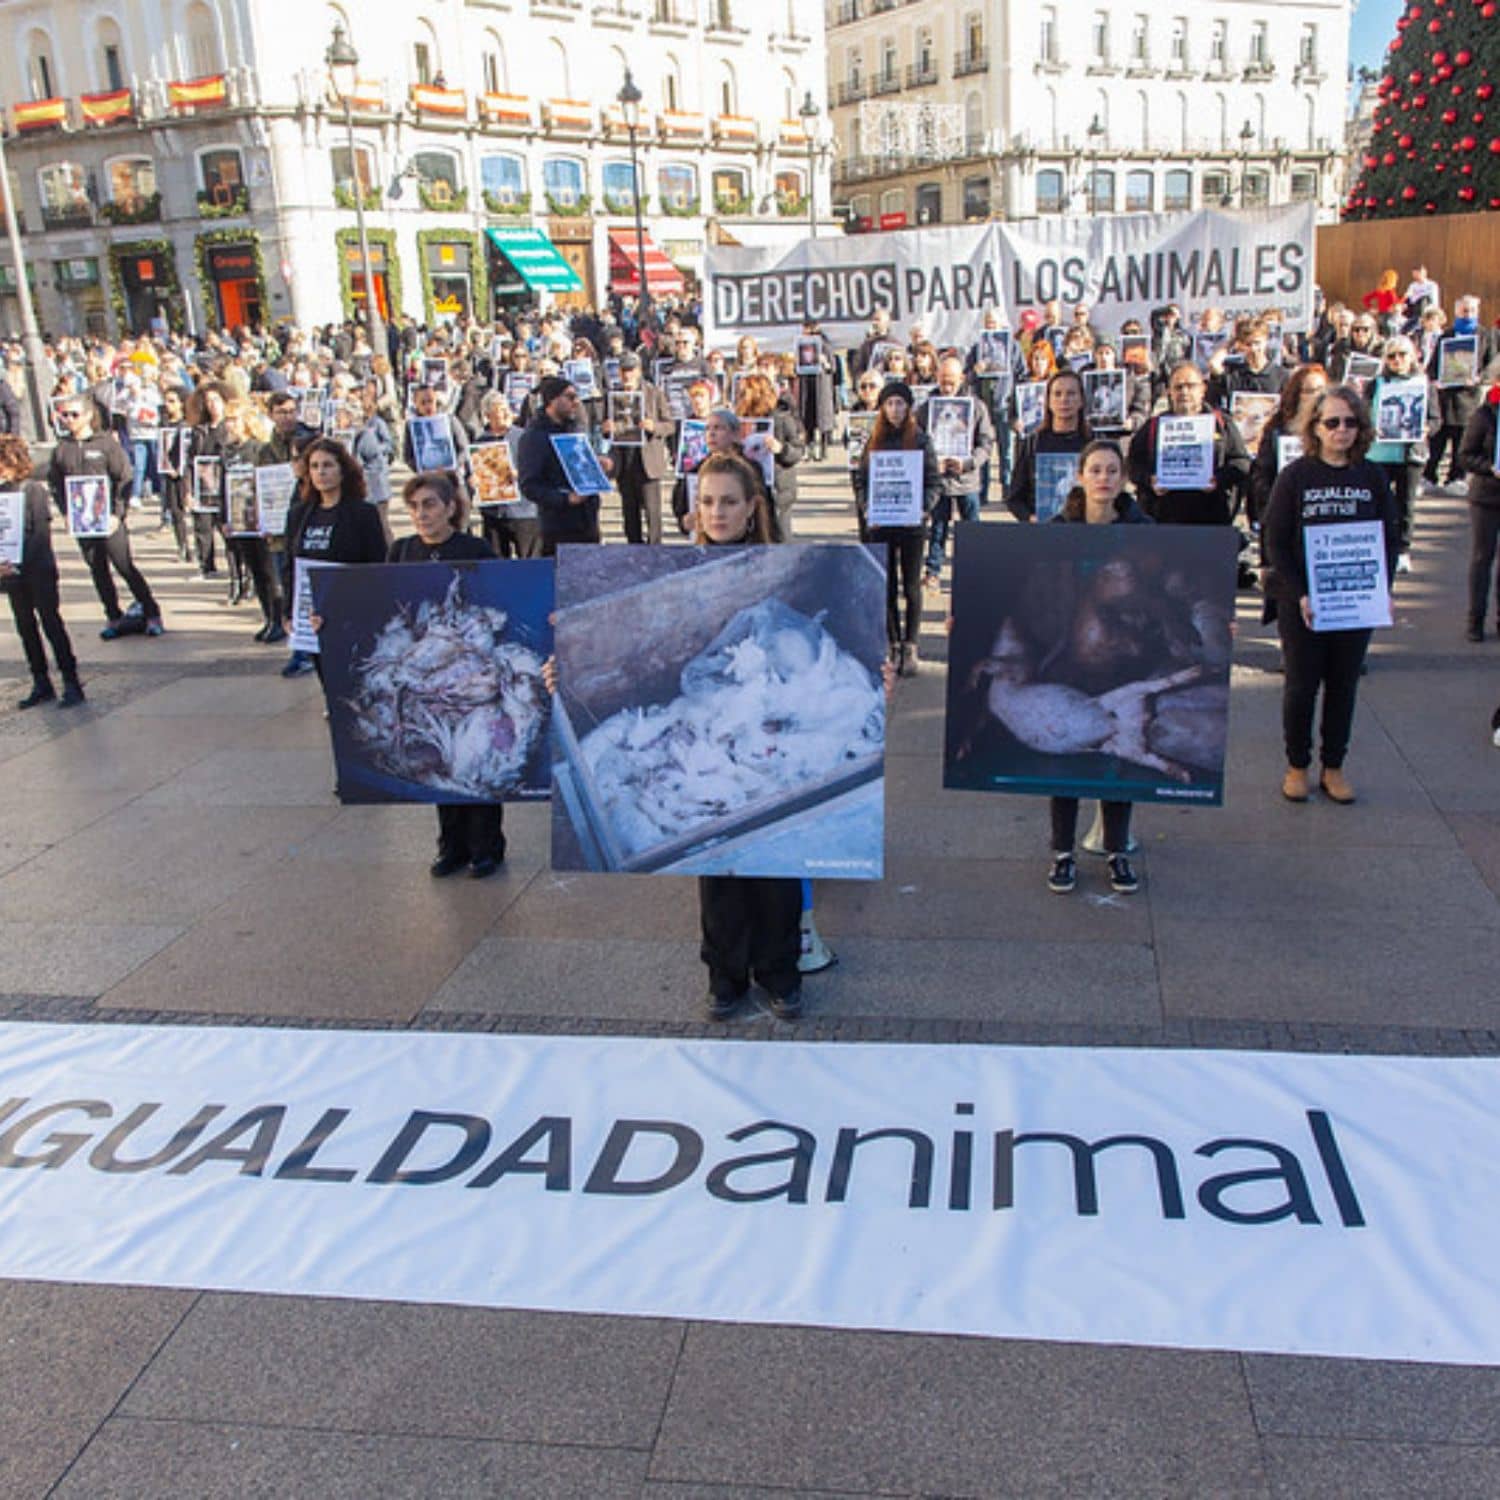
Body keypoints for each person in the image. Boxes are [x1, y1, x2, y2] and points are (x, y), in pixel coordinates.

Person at [690, 450, 804, 1021]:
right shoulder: (675, 568)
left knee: (775, 860)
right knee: (719, 865)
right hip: (707, 731)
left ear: (751, 506)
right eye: (708, 501)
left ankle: (781, 972)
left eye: (729, 501)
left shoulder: (780, 566)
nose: (717, 512)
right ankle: (725, 975)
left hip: (770, 724)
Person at [1263, 386, 1399, 805]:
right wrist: (1299, 593)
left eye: (1350, 422)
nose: (1342, 430)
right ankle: (1297, 765)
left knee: (1343, 687)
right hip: (1304, 603)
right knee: (1302, 686)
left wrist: (1383, 588)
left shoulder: (1373, 476)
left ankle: (1334, 766)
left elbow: (1389, 537)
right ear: (1315, 428)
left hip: (1354, 600)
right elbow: (1276, 540)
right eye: (1332, 422)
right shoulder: (1297, 476)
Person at [1044, 441, 1152, 897]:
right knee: (1067, 751)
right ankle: (1062, 852)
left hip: (1124, 655)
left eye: (1112, 470)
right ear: (1081, 477)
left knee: (1118, 750)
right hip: (1068, 654)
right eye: (1095, 470)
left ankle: (1116, 849)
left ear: (1123, 477)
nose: (1104, 478)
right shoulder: (1058, 528)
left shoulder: (1144, 529)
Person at [388, 471, 506, 880]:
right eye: (415, 507)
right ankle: (450, 845)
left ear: (450, 507)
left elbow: (496, 597)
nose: (421, 514)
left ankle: (486, 846)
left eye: (430, 504)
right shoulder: (402, 551)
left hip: (468, 667)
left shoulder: (474, 548)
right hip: (427, 671)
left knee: (474, 758)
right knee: (438, 758)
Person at [47, 395, 163, 639]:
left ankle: (151, 611)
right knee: (97, 569)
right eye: (64, 415)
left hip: (108, 518)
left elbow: (123, 477)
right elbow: (56, 485)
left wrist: (117, 514)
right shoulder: (62, 448)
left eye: (74, 414)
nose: (69, 419)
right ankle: (113, 614)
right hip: (83, 520)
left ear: (88, 415)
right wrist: (67, 513)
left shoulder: (105, 445)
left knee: (124, 566)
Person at [855, 380, 940, 675]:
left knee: (911, 584)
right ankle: (893, 642)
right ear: (882, 407)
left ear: (908, 407)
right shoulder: (872, 440)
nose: (894, 409)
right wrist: (867, 507)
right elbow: (861, 481)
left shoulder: (919, 439)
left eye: (900, 403)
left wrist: (923, 507)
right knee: (886, 585)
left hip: (911, 524)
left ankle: (911, 644)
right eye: (889, 403)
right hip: (881, 523)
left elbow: (933, 481)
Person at [0, 434, 83, 708]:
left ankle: (70, 680)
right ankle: (41, 680)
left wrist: (19, 561)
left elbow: (39, 534)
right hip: (12, 572)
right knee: (25, 627)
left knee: (51, 623)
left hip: (38, 569)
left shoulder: (33, 490)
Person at [1128, 363, 1251, 527]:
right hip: (1163, 520)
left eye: (1190, 386)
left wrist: (1219, 479)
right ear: (1169, 391)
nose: (1184, 392)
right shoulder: (1153, 426)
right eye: (1178, 387)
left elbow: (1242, 463)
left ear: (1203, 389)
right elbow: (1133, 465)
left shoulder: (1222, 423)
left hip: (1212, 517)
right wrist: (1149, 480)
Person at [919, 355, 994, 590]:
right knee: (938, 527)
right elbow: (917, 442)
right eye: (942, 380)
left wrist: (969, 463)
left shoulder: (976, 407)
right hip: (939, 480)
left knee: (972, 527)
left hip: (967, 480)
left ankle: (976, 568)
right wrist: (931, 464)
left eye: (951, 380)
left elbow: (986, 443)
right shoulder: (925, 409)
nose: (947, 385)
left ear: (962, 378)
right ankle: (933, 570)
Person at [1366, 336, 1438, 575]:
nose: (1397, 360)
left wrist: (1427, 428)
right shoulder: (1376, 383)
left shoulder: (1423, 383)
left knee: (1405, 504)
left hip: (1411, 454)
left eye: (1402, 355)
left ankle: (1402, 550)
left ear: (1413, 356)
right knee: (1379, 504)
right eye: (1392, 356)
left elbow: (1436, 418)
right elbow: (1363, 413)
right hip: (1380, 453)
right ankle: (1379, 547)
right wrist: (1370, 428)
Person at [516, 376, 606, 554]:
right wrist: (564, 499)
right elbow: (529, 485)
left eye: (576, 397)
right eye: (570, 397)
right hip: (557, 526)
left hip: (587, 520)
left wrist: (597, 466)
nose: (576, 402)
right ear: (552, 400)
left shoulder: (574, 428)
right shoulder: (534, 437)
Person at [221, 399, 285, 643]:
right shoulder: (227, 452)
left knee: (270, 573)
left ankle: (278, 620)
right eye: (227, 420)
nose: (229, 425)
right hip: (239, 522)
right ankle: (268, 618)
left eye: (234, 419)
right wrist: (225, 518)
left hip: (260, 522)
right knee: (255, 572)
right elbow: (223, 487)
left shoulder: (258, 449)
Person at [603, 352, 673, 545]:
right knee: (629, 515)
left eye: (631, 370)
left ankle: (655, 552)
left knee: (653, 514)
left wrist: (654, 427)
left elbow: (670, 425)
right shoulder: (613, 395)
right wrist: (606, 429)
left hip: (648, 461)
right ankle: (634, 551)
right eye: (624, 370)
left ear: (639, 371)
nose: (627, 375)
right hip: (624, 461)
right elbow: (605, 429)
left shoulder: (654, 392)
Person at [1008, 368, 1091, 522]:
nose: (1064, 400)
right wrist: (1029, 517)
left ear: (1081, 400)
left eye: (1071, 394)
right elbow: (1015, 497)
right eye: (1057, 394)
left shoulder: (1094, 443)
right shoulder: (1033, 443)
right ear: (1048, 401)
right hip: (1043, 531)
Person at [734, 371, 805, 541]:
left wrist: (780, 449)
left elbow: (798, 451)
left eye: (743, 393)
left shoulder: (781, 419)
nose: (739, 397)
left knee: (781, 534)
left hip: (778, 488)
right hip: (751, 485)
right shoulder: (740, 421)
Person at [1457, 375, 1500, 641]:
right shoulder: (1484, 415)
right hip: (1487, 496)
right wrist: (1489, 468)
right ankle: (1475, 619)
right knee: (1483, 558)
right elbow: (1465, 456)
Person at [471, 392, 539, 559]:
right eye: (500, 410)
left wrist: (520, 474)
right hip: (494, 512)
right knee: (497, 563)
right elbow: (471, 473)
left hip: (524, 511)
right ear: (488, 416)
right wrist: (473, 481)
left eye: (507, 408)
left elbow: (539, 469)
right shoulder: (480, 443)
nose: (507, 413)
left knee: (530, 563)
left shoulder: (524, 437)